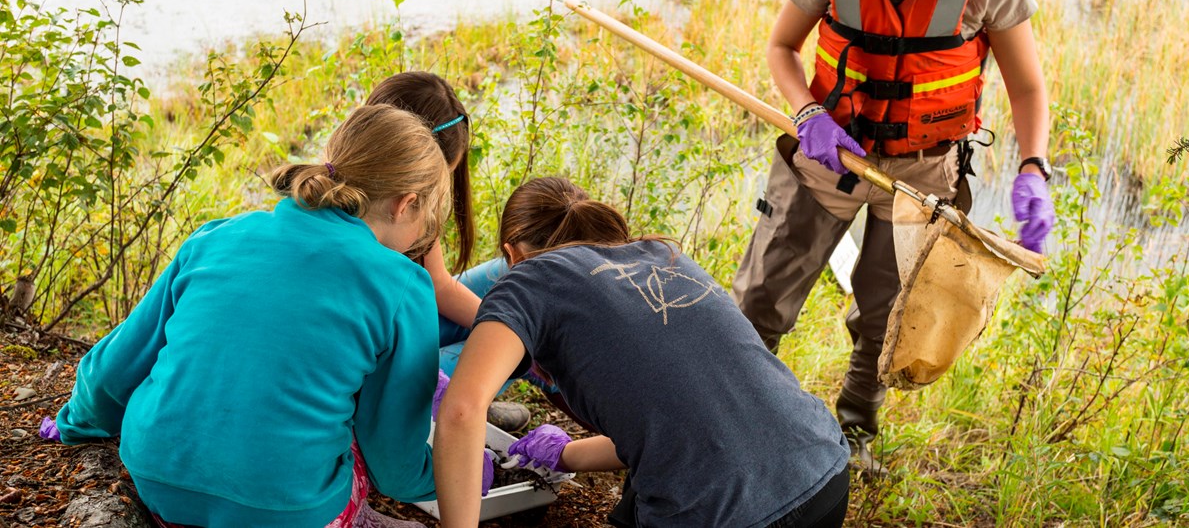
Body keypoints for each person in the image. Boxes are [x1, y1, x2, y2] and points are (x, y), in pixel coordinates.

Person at [732, 0, 1056, 474]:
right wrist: (807, 112)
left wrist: (1033, 167)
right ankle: (735, 411)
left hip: (921, 171)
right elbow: (780, 47)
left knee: (887, 309)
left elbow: (1027, 87)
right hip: (828, 154)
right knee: (764, 293)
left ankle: (854, 429)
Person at [48, 104, 477, 527]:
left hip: (158, 482)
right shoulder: (401, 284)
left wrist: (75, 424)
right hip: (283, 511)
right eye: (430, 217)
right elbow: (396, 467)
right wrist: (465, 474)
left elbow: (110, 372)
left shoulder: (215, 236)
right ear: (407, 204)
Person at [433, 177, 851, 528]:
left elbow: (463, 411)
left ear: (512, 254)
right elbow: (679, 423)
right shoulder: (669, 258)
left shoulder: (529, 278)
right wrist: (565, 454)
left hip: (719, 514)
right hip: (823, 473)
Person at [365, 71, 530, 432]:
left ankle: (472, 396)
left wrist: (515, 324)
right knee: (509, 347)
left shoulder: (395, 192)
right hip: (377, 361)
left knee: (520, 285)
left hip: (404, 324)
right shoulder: (367, 225)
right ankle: (454, 405)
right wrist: (511, 340)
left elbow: (438, 285)